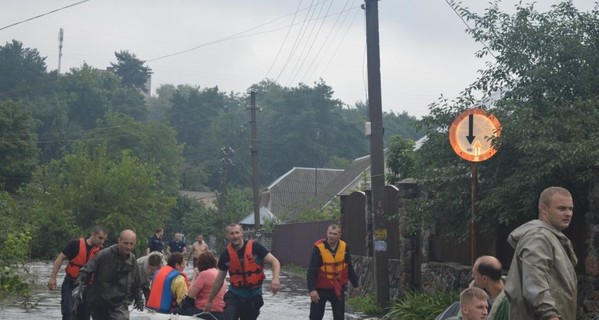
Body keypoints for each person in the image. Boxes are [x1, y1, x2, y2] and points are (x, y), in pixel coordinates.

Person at [504, 186, 578, 320]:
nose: (568, 213)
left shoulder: (551, 237)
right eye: (562, 208)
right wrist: (551, 315)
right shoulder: (538, 237)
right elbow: (534, 281)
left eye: (570, 209)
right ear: (544, 209)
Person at [204, 223, 281, 320]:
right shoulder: (226, 255)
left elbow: (275, 262)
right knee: (229, 317)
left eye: (237, 232)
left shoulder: (256, 248)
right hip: (235, 295)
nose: (235, 236)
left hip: (253, 296)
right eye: (231, 233)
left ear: (242, 233)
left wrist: (275, 279)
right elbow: (219, 280)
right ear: (227, 236)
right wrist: (210, 300)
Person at [75, 229, 144, 319]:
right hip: (99, 302)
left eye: (131, 244)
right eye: (125, 243)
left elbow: (136, 283)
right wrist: (79, 288)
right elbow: (86, 270)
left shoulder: (132, 260)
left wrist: (139, 298)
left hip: (119, 302)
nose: (128, 247)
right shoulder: (104, 255)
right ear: (119, 241)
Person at [47, 225, 108, 320]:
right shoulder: (75, 244)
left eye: (104, 239)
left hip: (88, 288)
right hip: (70, 284)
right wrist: (53, 277)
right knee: (69, 313)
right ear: (93, 234)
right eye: (100, 238)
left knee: (84, 317)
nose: (102, 242)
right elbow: (60, 258)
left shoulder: (101, 252)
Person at [307, 223, 359, 320]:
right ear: (327, 233)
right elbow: (311, 270)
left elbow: (349, 268)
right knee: (315, 317)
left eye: (335, 234)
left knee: (339, 317)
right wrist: (312, 290)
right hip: (320, 289)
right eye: (330, 233)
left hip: (337, 288)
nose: (332, 236)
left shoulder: (344, 247)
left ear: (339, 235)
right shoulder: (318, 248)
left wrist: (356, 284)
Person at [179, 252, 226, 320]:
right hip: (220, 312)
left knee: (178, 310)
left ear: (200, 264)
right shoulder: (219, 274)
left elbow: (190, 294)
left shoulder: (204, 274)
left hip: (204, 311)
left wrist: (195, 275)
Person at [472, 256, 509, 320]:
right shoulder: (476, 290)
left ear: (484, 279)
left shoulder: (509, 302)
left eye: (475, 274)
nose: (472, 276)